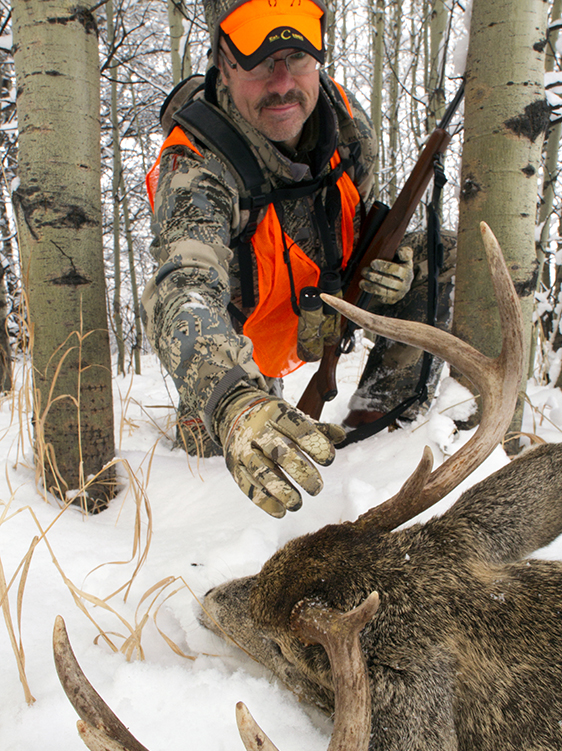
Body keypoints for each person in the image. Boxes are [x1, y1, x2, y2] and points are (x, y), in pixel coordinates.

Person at [141, 0, 422, 518]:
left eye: (295, 56)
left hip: (316, 317)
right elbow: (181, 286)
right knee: (226, 474)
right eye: (256, 61)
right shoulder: (195, 163)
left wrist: (391, 268)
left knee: (433, 253)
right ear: (222, 64)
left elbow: (357, 226)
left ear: (319, 59)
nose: (281, 83)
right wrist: (234, 403)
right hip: (236, 349)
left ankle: (382, 423)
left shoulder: (348, 127)